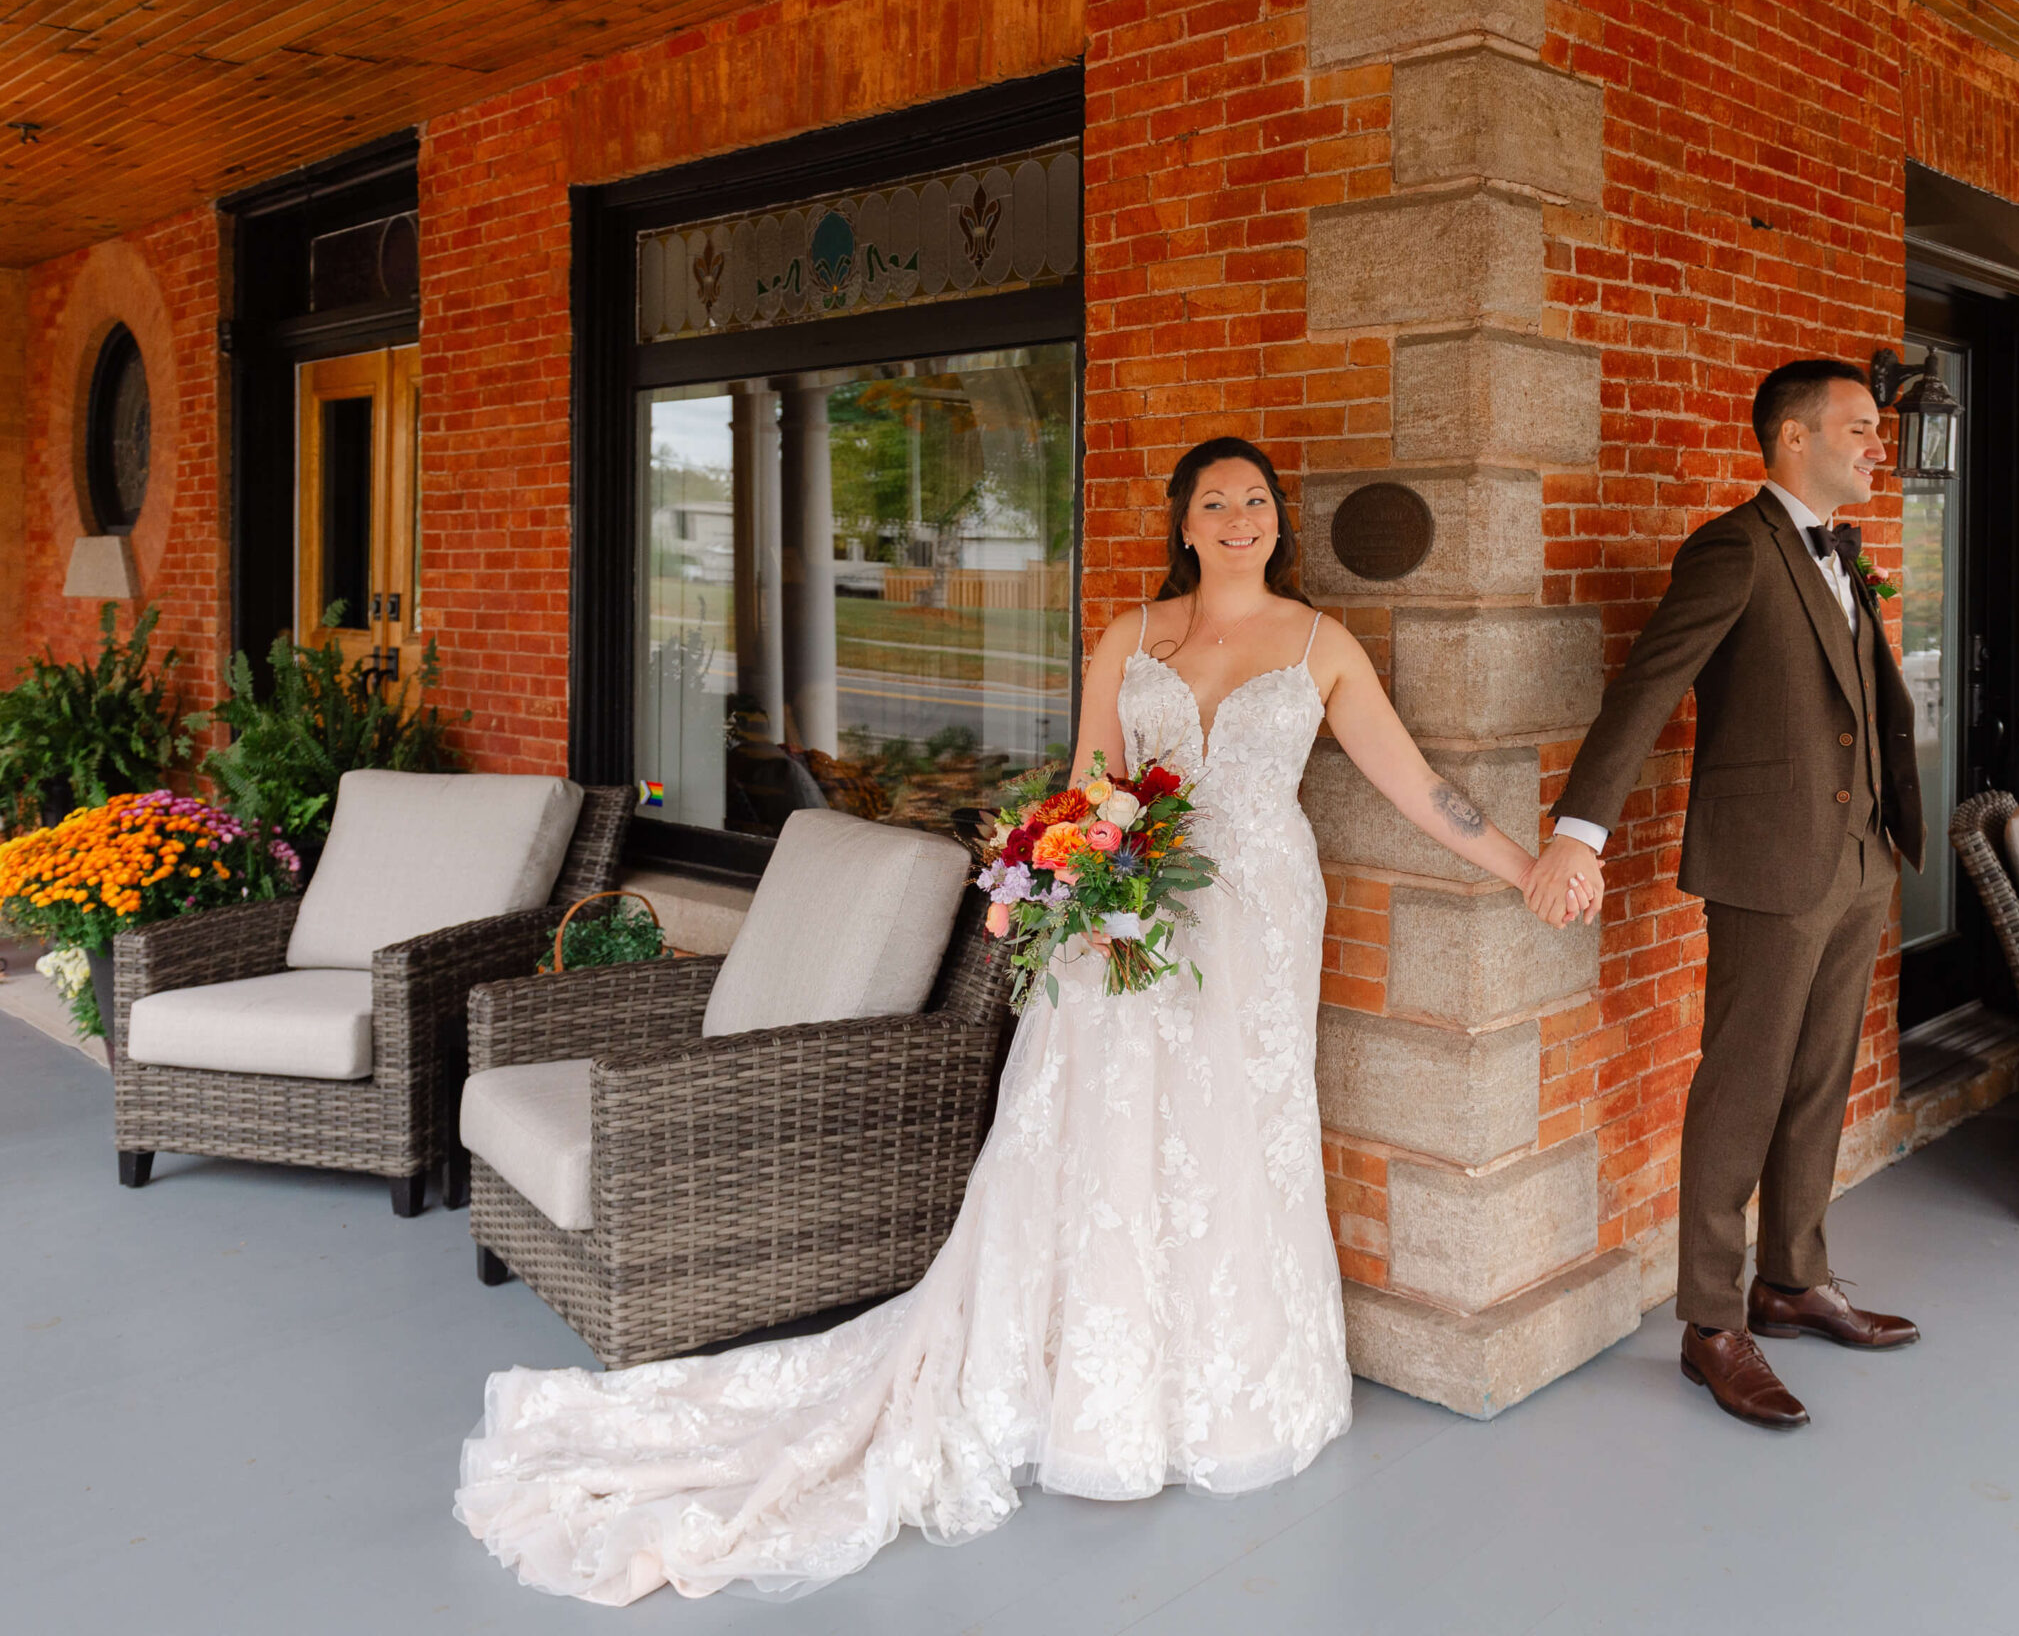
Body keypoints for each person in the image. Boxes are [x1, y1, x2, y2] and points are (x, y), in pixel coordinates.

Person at [454, 435, 1584, 1603]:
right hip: (1121, 914)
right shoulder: (1131, 635)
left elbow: (1418, 787)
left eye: (1255, 500)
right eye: (1215, 501)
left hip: (1255, 926)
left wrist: (1526, 865)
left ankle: (1213, 1392)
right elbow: (1089, 787)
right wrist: (1074, 888)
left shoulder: (1319, 645)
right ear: (1184, 522)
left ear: (1275, 521)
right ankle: (1091, 1387)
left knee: (1230, 1138)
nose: (1239, 516)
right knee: (1103, 1133)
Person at [1521, 359, 1927, 1430]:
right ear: (1794, 438)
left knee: (1819, 1080)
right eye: (1858, 428)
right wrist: (1578, 832)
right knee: (1742, 1086)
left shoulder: (1843, 553)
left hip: (1859, 860)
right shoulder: (1733, 549)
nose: (1876, 446)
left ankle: (1791, 1281)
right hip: (1769, 865)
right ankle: (1710, 1322)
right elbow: (1648, 685)